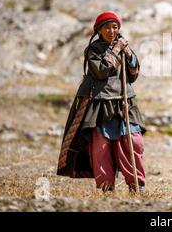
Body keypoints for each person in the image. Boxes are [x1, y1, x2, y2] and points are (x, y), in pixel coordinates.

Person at [57, 11, 146, 193]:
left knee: (132, 142)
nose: (111, 31)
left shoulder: (122, 47)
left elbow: (134, 74)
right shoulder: (93, 50)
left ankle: (136, 186)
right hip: (99, 103)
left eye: (115, 27)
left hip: (123, 101)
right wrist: (116, 50)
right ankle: (107, 187)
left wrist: (129, 55)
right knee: (101, 147)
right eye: (107, 27)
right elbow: (101, 71)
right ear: (99, 30)